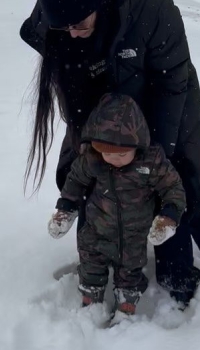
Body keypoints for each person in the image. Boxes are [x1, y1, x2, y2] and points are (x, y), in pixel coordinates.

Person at [20, 0, 200, 306]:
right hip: (99, 109)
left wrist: (154, 152)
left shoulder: (153, 7)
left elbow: (172, 83)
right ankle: (94, 265)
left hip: (165, 101)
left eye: (80, 24)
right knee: (90, 170)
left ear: (99, 3)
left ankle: (176, 277)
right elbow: (72, 94)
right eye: (64, 27)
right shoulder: (57, 24)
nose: (73, 34)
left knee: (167, 176)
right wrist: (91, 145)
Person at [48, 93, 187, 316]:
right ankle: (91, 294)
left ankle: (127, 299)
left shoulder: (151, 161)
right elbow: (75, 181)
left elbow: (173, 188)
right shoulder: (93, 159)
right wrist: (65, 209)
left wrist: (169, 216)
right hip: (97, 227)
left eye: (122, 153)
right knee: (91, 262)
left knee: (130, 268)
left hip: (134, 233)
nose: (114, 159)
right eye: (107, 153)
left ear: (138, 143)